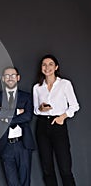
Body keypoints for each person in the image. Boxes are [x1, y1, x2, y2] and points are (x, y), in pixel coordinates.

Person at [33, 54, 79, 186]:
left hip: (58, 124)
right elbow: (35, 110)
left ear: (56, 67)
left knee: (65, 168)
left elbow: (75, 106)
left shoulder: (64, 84)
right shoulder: (37, 87)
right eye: (44, 64)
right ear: (41, 68)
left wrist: (62, 117)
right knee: (47, 168)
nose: (47, 67)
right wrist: (41, 109)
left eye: (50, 64)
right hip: (42, 125)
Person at [0, 66, 35, 186]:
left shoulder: (27, 97)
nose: (10, 78)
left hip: (23, 145)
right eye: (7, 76)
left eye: (13, 75)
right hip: (6, 145)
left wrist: (5, 114)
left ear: (18, 78)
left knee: (25, 182)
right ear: (3, 79)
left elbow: (28, 116)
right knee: (12, 183)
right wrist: (17, 112)